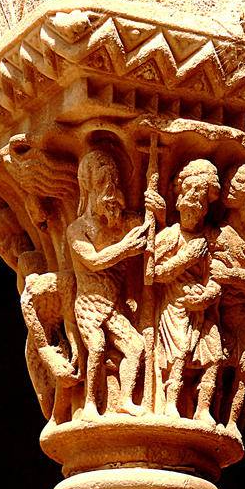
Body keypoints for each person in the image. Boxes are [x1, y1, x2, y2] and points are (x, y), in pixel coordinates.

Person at [66, 148, 151, 417]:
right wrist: (125, 248)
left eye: (115, 181)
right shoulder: (77, 229)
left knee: (136, 347)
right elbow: (93, 260)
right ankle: (90, 403)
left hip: (114, 306)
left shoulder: (122, 224)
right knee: (98, 347)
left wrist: (155, 209)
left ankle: (125, 400)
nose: (112, 191)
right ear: (89, 187)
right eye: (104, 183)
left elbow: (148, 229)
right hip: (89, 305)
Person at [153, 159, 223, 422]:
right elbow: (152, 274)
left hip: (202, 307)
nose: (195, 205)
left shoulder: (211, 238)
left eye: (202, 200)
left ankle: (203, 408)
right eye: (190, 194)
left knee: (215, 354)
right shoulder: (171, 236)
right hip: (174, 305)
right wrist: (185, 258)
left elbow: (218, 275)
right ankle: (170, 403)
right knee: (180, 351)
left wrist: (208, 295)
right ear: (180, 201)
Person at [210, 164, 245, 432]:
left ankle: (232, 421)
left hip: (241, 312)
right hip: (214, 310)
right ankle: (208, 412)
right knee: (216, 364)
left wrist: (228, 274)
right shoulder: (217, 235)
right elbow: (209, 270)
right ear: (237, 199)